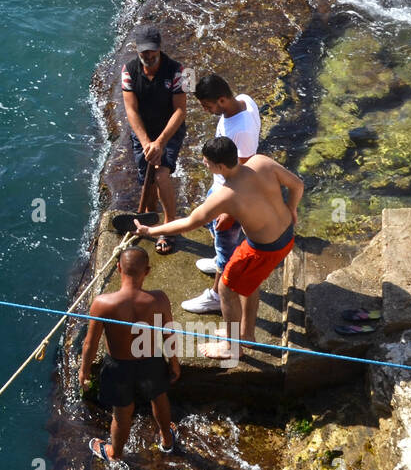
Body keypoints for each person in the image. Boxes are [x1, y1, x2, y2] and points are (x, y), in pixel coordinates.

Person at [136, 138, 304, 359]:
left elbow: (189, 223)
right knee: (249, 282)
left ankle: (232, 347)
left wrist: (151, 231)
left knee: (226, 289)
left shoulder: (226, 194)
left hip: (263, 250)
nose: (204, 164)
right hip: (286, 238)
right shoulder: (261, 162)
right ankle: (246, 335)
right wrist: (291, 209)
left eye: (207, 162)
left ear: (221, 167)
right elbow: (298, 184)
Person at [81, 246, 180, 460]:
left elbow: (90, 343)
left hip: (118, 366)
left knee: (122, 412)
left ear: (118, 268)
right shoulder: (159, 299)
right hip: (151, 361)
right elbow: (169, 333)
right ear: (148, 271)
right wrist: (174, 362)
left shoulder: (103, 303)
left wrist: (84, 371)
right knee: (159, 398)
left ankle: (114, 452)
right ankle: (167, 440)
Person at [183, 74, 262, 314]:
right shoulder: (243, 100)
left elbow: (244, 174)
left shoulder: (243, 131)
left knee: (226, 243)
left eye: (208, 106)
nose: (206, 110)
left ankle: (217, 296)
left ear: (222, 100)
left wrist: (229, 210)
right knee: (216, 235)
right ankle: (219, 260)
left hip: (230, 195)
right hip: (220, 186)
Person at [120, 24, 188, 254]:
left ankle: (169, 227)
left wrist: (160, 143)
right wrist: (147, 142)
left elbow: (181, 111)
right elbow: (131, 110)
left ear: (160, 48)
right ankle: (150, 222)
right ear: (137, 50)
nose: (148, 56)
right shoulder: (128, 71)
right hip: (142, 132)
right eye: (143, 52)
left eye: (152, 51)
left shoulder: (182, 71)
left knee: (160, 174)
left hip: (169, 130)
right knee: (146, 180)